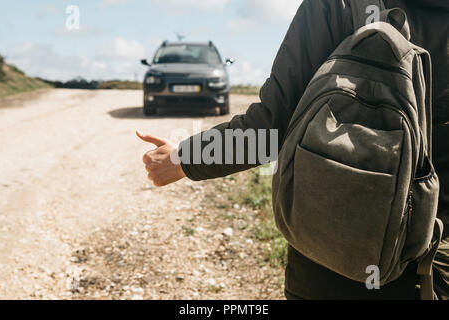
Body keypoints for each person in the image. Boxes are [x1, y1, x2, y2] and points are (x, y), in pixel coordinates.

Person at [137, 0, 448, 300]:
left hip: (336, 257)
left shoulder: (338, 5)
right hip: (434, 260)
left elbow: (271, 128)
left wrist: (184, 159)